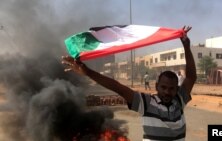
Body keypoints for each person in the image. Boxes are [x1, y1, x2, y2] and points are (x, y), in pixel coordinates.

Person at [62, 26, 196, 141]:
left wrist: (186, 47)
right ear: (156, 86)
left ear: (176, 89)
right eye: (164, 87)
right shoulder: (146, 103)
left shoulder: (179, 99)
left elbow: (191, 77)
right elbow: (117, 87)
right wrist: (87, 72)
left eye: (172, 88)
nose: (167, 92)